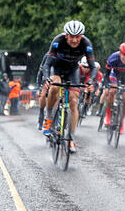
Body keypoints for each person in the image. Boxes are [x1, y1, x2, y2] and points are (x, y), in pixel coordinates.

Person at [41, 20, 97, 153]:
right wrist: (46, 78)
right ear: (66, 35)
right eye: (71, 37)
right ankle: (48, 118)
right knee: (54, 87)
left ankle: (70, 139)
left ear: (81, 36)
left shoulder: (86, 43)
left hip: (72, 70)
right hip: (57, 68)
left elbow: (93, 66)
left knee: (73, 100)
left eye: (77, 37)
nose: (74, 40)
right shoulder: (58, 41)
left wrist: (91, 82)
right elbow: (47, 64)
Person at [103, 42, 125, 134]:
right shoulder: (113, 58)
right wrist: (107, 85)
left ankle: (121, 121)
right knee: (112, 91)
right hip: (114, 75)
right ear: (120, 53)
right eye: (124, 55)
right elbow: (106, 75)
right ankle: (108, 115)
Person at [36, 54, 49, 129]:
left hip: (57, 81)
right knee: (43, 96)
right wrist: (38, 88)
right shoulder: (47, 57)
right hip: (46, 82)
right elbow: (39, 75)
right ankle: (40, 119)